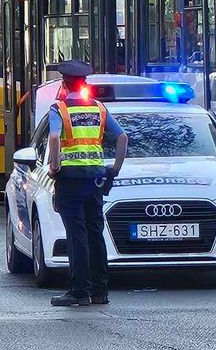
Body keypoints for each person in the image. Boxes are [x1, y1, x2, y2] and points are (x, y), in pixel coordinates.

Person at [47, 60, 128, 307]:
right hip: (95, 179)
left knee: (76, 235)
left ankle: (79, 291)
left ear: (63, 83)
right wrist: (114, 168)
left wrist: (54, 165)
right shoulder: (99, 109)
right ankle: (100, 291)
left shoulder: (59, 108)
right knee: (95, 233)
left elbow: (53, 136)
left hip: (70, 180)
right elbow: (123, 137)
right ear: (84, 83)